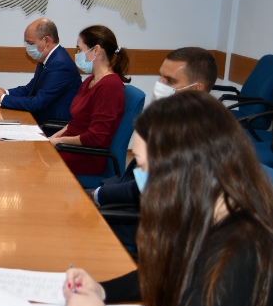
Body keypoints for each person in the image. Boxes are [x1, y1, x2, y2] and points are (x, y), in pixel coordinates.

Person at [64, 91, 273, 306]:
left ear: (184, 171)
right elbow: (168, 271)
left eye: (143, 167)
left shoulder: (238, 253)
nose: (139, 179)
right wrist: (102, 291)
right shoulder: (215, 208)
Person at [91, 47, 218, 209]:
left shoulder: (194, 134)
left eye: (170, 81)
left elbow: (146, 188)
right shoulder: (174, 118)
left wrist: (99, 195)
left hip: (142, 214)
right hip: (127, 191)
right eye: (160, 76)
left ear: (196, 89)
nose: (160, 84)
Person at [49, 25, 128, 175]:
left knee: (36, 164)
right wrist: (54, 137)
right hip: (70, 148)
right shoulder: (90, 81)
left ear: (96, 50)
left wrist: (60, 141)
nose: (77, 54)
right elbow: (76, 122)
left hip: (85, 156)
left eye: (80, 49)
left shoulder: (109, 86)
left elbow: (95, 137)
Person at [0, 18, 81, 125]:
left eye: (31, 43)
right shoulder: (47, 59)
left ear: (47, 41)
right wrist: (5, 92)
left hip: (51, 126)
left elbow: (37, 104)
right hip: (39, 120)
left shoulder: (60, 64)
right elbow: (30, 89)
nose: (28, 48)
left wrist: (2, 99)